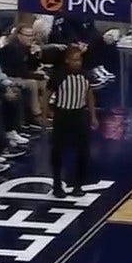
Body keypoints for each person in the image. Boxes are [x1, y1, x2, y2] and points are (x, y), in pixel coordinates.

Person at [47, 46, 97, 197]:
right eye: (74, 60)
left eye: (79, 60)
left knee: (83, 151)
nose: (77, 63)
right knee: (58, 151)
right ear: (67, 60)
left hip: (80, 115)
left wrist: (93, 116)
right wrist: (45, 115)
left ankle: (78, 184)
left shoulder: (86, 75)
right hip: (62, 115)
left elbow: (89, 96)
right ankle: (57, 183)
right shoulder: (58, 76)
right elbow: (47, 95)